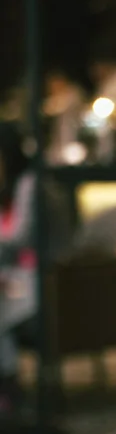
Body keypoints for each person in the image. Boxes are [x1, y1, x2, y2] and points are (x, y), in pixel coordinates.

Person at [0, 122, 35, 415]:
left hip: (32, 279)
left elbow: (20, 238)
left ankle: (8, 387)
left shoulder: (30, 185)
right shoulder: (6, 187)